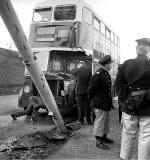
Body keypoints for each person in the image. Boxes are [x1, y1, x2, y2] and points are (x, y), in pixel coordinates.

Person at [114, 38, 150, 160]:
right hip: (148, 109)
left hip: (129, 108)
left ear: (136, 49)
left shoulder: (125, 65)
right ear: (147, 50)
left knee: (128, 134)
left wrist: (126, 100)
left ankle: (125, 158)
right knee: (145, 136)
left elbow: (117, 86)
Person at [88, 55, 114, 150]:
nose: (111, 65)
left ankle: (103, 136)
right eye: (110, 64)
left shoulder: (105, 73)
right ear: (106, 64)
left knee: (105, 121)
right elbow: (91, 89)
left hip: (105, 103)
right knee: (100, 121)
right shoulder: (98, 74)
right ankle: (98, 141)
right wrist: (93, 100)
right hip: (100, 102)